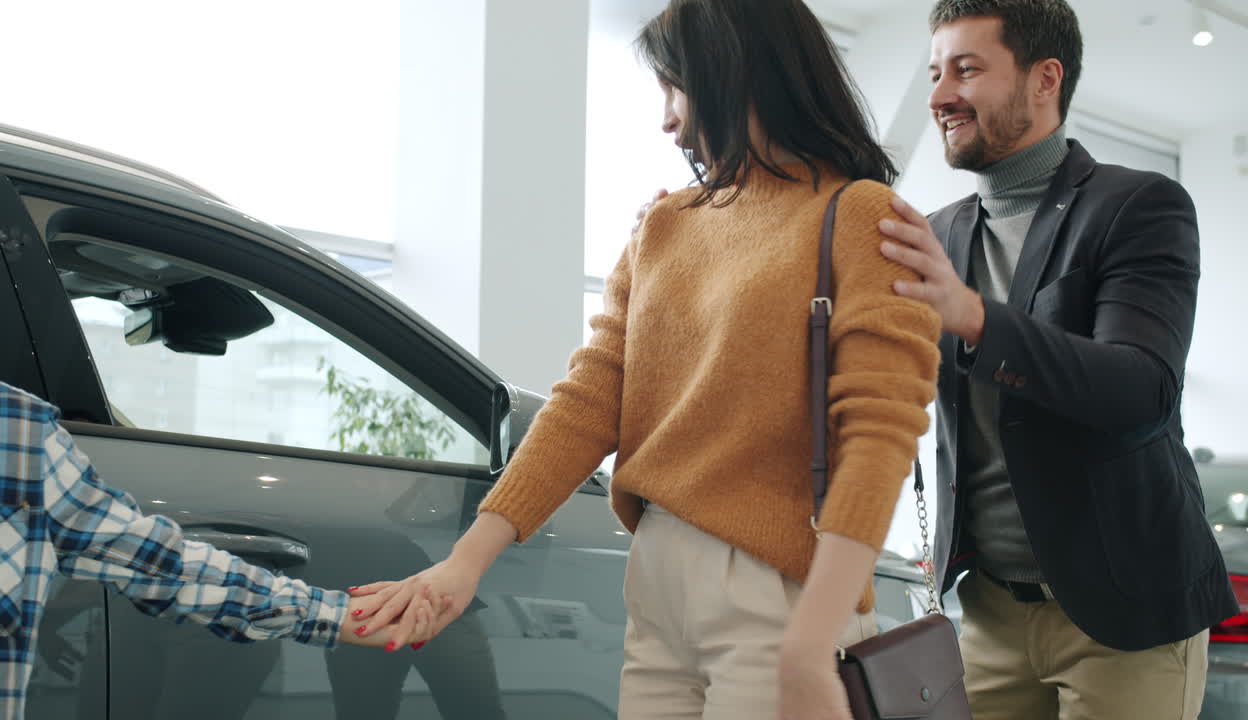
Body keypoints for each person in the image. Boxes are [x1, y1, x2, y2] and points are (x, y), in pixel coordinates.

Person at [348, 1, 942, 718]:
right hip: (658, 583)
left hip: (779, 598)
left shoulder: (858, 214)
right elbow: (588, 400)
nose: (668, 118)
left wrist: (812, 643)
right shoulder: (664, 225)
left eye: (676, 87)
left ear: (736, 75)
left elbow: (877, 435)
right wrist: (466, 561)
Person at [872, 1, 1239, 718]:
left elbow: (1141, 390)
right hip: (984, 612)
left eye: (967, 69)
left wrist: (973, 316)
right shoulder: (939, 234)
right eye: (935, 72)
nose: (940, 95)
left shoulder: (1139, 206)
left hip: (1125, 615)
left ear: (1045, 80)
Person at [0, 371, 393, 719]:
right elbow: (145, 557)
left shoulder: (7, 432)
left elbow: (145, 557)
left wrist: (334, 616)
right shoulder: (2, 430)